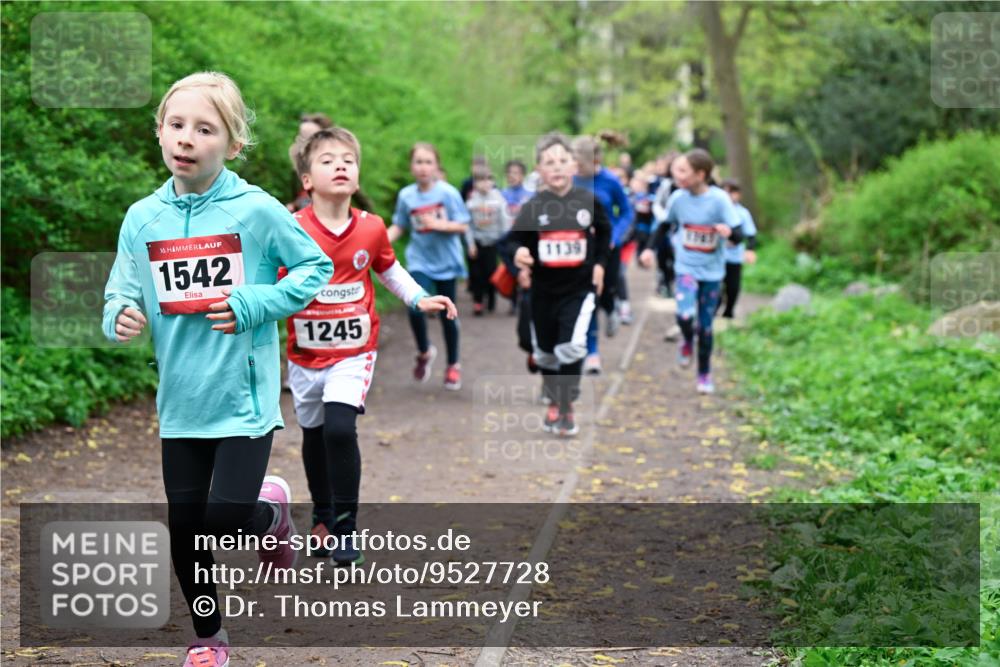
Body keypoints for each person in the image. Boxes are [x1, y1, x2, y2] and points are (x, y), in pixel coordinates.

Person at [102, 71, 333, 667]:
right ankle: (208, 640)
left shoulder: (255, 210)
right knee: (186, 531)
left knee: (223, 520)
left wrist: (255, 302)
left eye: (205, 129)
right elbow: (121, 289)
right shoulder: (142, 218)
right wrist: (119, 314)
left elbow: (314, 268)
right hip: (181, 401)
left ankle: (268, 513)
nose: (187, 138)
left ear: (233, 144)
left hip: (242, 397)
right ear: (159, 132)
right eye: (176, 125)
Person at [286, 127, 457, 565]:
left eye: (348, 160)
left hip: (354, 351)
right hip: (305, 354)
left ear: (357, 175)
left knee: (340, 429)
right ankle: (322, 515)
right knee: (314, 434)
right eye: (327, 161)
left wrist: (420, 298)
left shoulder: (371, 227)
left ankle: (345, 527)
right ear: (307, 180)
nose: (340, 166)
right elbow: (271, 283)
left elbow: (389, 270)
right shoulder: (291, 230)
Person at [511, 132, 610, 436]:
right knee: (546, 352)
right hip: (542, 291)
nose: (556, 167)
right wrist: (519, 254)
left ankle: (565, 407)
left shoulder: (588, 202)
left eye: (563, 161)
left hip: (579, 289)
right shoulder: (533, 207)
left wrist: (600, 265)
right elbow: (514, 240)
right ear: (539, 170)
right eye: (549, 162)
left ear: (574, 167)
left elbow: (605, 233)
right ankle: (554, 399)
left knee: (572, 345)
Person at [639, 149, 744, 394]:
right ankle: (687, 340)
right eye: (676, 169)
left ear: (700, 175)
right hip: (686, 269)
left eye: (682, 171)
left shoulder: (719, 200)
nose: (676, 175)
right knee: (685, 315)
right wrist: (649, 250)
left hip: (712, 274)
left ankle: (704, 373)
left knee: (705, 327)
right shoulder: (678, 198)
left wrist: (728, 232)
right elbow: (664, 226)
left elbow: (740, 235)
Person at [388, 143, 470, 390]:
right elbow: (399, 225)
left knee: (448, 315)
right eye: (418, 162)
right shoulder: (406, 196)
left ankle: (453, 364)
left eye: (428, 162)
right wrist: (376, 241)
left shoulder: (448, 193)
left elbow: (463, 225)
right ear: (411, 166)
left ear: (436, 166)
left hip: (446, 263)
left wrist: (440, 225)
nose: (423, 167)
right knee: (415, 307)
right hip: (420, 261)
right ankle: (424, 351)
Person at [572, 136, 633, 374]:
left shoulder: (610, 181)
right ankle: (593, 352)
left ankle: (611, 308)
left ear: (595, 160)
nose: (576, 167)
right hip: (582, 250)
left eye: (580, 163)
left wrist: (615, 236)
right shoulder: (571, 180)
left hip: (608, 247)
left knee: (606, 290)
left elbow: (626, 212)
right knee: (589, 298)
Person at [465, 166, 511, 315]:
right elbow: (468, 225)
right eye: (480, 180)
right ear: (475, 183)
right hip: (477, 242)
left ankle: (491, 297)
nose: (485, 183)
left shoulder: (499, 200)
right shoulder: (471, 201)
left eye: (488, 180)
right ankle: (478, 302)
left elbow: (505, 223)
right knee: (476, 274)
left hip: (493, 243)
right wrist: (470, 244)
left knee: (490, 272)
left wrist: (505, 243)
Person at [718, 178, 758, 319]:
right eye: (725, 192)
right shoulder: (716, 210)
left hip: (734, 257)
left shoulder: (743, 213)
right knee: (715, 284)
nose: (729, 196)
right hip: (716, 256)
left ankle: (729, 311)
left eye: (732, 192)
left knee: (733, 285)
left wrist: (750, 250)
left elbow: (751, 234)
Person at [286, 112, 333, 212]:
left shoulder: (333, 165)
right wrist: (294, 204)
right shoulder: (299, 162)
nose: (302, 140)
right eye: (301, 135)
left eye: (310, 136)